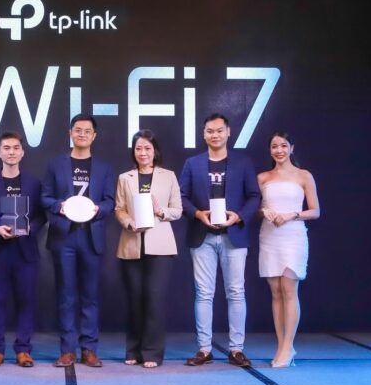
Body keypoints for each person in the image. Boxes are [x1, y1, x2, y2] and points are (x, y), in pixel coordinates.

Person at [179, 113, 261, 367]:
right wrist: (197, 213)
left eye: (219, 130)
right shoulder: (192, 163)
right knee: (203, 293)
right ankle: (204, 349)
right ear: (203, 134)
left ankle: (237, 349)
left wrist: (239, 216)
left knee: (236, 292)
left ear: (228, 132)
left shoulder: (243, 163)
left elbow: (254, 196)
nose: (214, 135)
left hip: (233, 236)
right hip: (202, 235)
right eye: (210, 131)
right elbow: (181, 196)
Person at [42, 114, 115, 367]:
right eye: (78, 130)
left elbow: (110, 201)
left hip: (91, 236)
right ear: (70, 133)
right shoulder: (55, 164)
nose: (82, 134)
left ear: (94, 136)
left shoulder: (104, 167)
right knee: (66, 296)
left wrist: (98, 209)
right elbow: (45, 197)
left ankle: (89, 349)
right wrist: (59, 206)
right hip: (64, 236)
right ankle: (67, 350)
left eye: (87, 131)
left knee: (90, 295)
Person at [0, 130, 46, 368]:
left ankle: (23, 350)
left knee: (26, 301)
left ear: (22, 152)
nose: (11, 152)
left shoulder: (34, 184)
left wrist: (30, 228)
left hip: (25, 251)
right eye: (6, 148)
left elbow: (41, 216)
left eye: (16, 148)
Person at [114, 129, 182, 368]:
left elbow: (177, 210)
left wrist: (161, 211)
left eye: (147, 148)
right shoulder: (125, 177)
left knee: (154, 299)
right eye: (138, 148)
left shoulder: (168, 176)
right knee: (134, 300)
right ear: (133, 152)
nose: (143, 152)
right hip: (131, 244)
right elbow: (119, 208)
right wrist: (127, 222)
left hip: (160, 246)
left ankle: (152, 352)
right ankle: (133, 349)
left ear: (155, 151)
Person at [257, 132, 320, 368]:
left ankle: (288, 346)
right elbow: (256, 208)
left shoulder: (304, 176)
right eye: (274, 146)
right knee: (275, 291)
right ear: (270, 150)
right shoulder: (263, 177)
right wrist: (264, 211)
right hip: (269, 235)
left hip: (293, 235)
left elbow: (315, 211)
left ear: (291, 148)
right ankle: (282, 346)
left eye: (283, 145)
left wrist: (292, 215)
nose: (279, 150)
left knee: (289, 289)